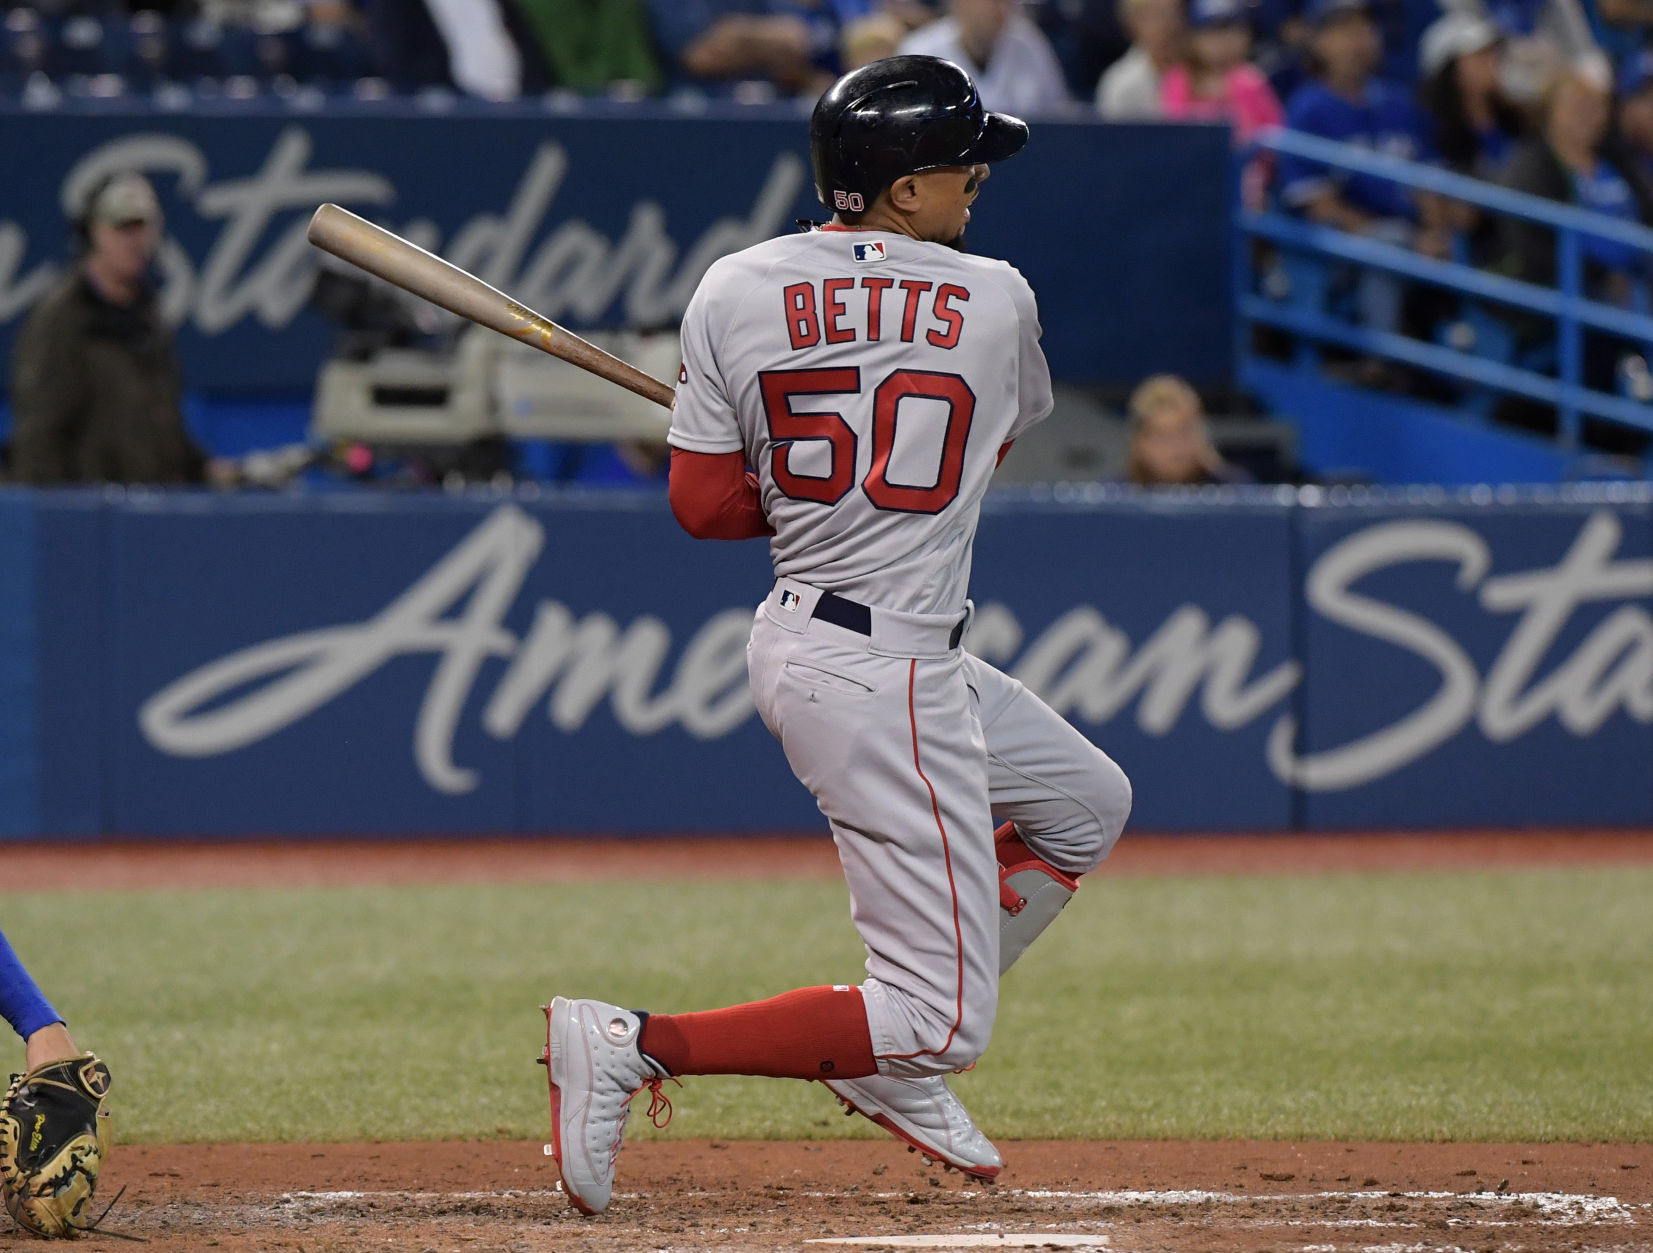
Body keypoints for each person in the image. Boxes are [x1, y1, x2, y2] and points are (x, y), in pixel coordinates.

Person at [542, 54, 1131, 1216]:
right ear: (901, 191)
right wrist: (849, 465)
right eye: (960, 165)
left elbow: (704, 509)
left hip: (838, 640)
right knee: (944, 1019)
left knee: (1084, 801)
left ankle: (877, 1053)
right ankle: (634, 1041)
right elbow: (975, 462)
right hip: (880, 670)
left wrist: (793, 467)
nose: (975, 180)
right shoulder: (999, 297)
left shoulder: (734, 287)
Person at [8, 172, 231, 487]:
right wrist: (55, 521)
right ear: (92, 232)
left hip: (150, 518)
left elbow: (160, 430)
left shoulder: (148, 316)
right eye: (120, 228)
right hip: (90, 521)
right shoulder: (59, 320)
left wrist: (206, 469)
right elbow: (39, 438)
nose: (134, 240)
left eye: (142, 227)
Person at [1277, 0, 1452, 336]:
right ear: (1318, 42)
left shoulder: (1398, 102)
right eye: (1342, 28)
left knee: (1458, 245)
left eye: (1364, 26)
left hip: (1408, 238)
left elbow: (1427, 184)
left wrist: (1435, 232)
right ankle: (1381, 358)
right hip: (1334, 249)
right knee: (1387, 243)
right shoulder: (1308, 109)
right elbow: (1318, 205)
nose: (1357, 38)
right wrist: (1407, 241)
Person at [898, 0, 1072, 114]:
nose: (1000, 9)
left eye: (1007, 2)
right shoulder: (920, 50)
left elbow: (1059, 114)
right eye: (991, 2)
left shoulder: (1028, 42)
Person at [1417, 10, 1526, 178]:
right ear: (1451, 70)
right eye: (1480, 55)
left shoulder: (1514, 119)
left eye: (1492, 51)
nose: (1493, 60)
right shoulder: (1432, 132)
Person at [1161, 0, 1283, 145]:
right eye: (1213, 32)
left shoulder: (1251, 81)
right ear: (1193, 37)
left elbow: (1277, 137)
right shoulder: (1179, 80)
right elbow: (1173, 134)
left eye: (1233, 30)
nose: (1225, 41)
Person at [1125, 375, 1252, 485]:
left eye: (1184, 433)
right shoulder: (1112, 498)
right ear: (1139, 442)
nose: (1176, 448)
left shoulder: (1231, 488)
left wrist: (1219, 470)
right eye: (1163, 437)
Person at [1097, 0, 1184, 118]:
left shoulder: (1202, 72)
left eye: (1175, 14)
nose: (1169, 25)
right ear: (1132, 24)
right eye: (1157, 16)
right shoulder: (1120, 83)